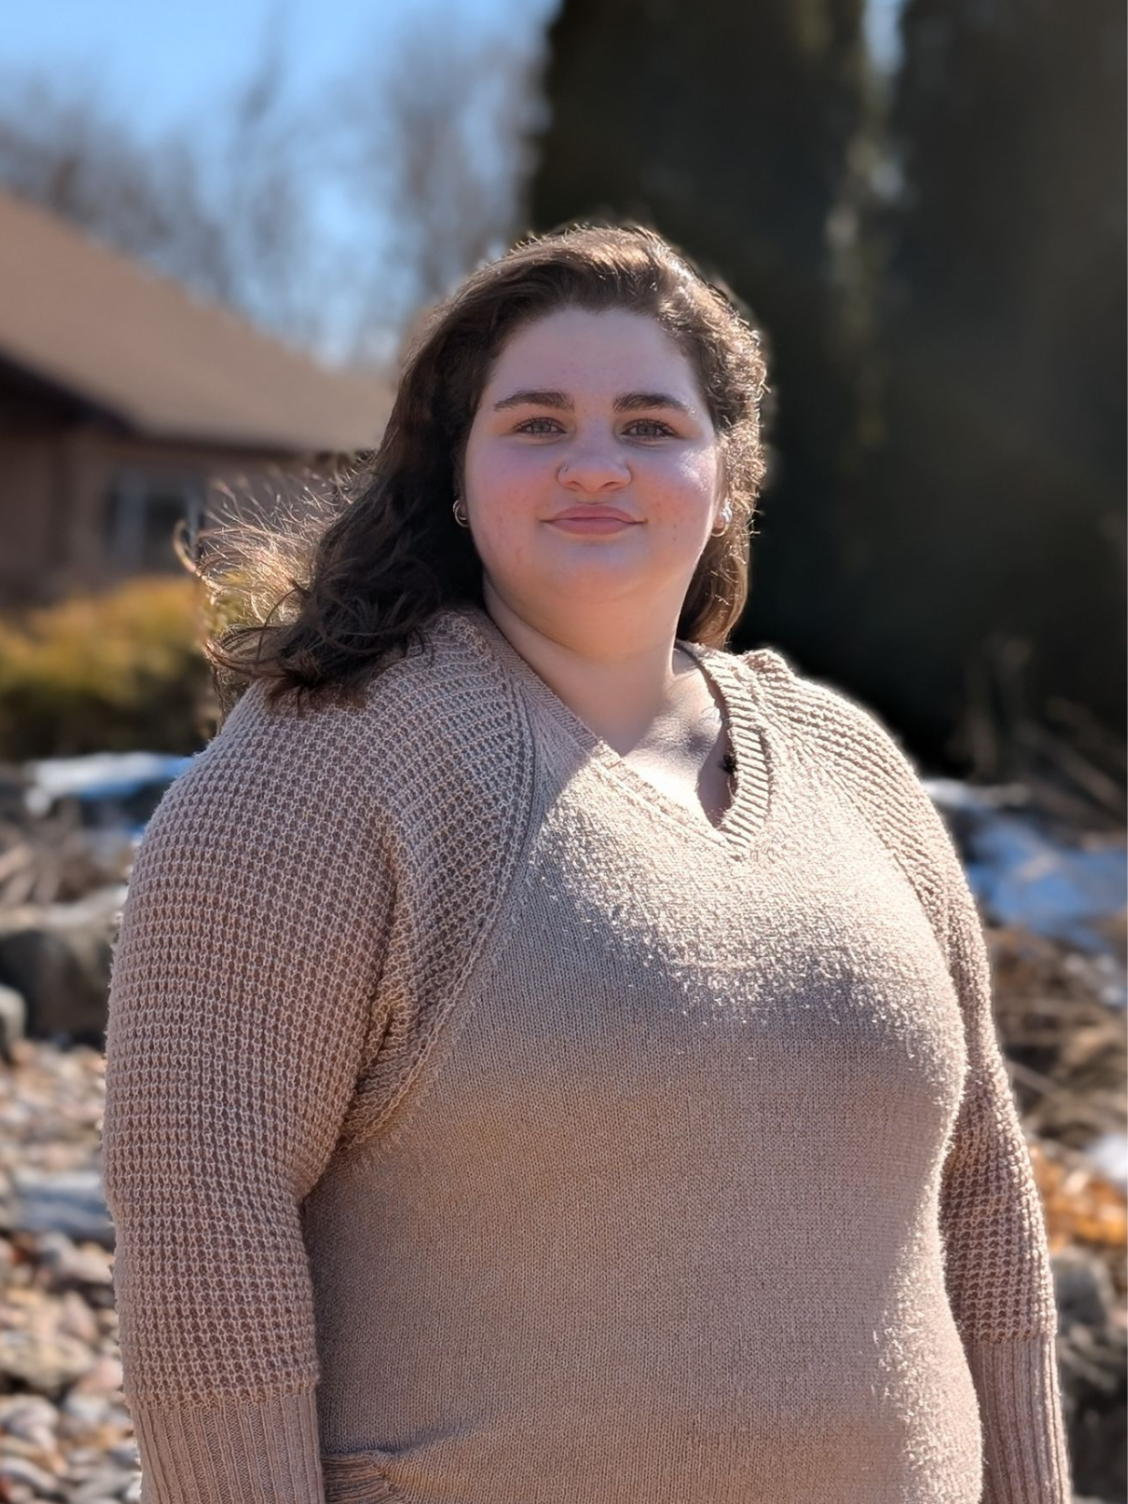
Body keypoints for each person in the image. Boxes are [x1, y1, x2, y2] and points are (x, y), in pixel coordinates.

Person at [100, 221, 1072, 1504]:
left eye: (652, 425)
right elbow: (202, 1231)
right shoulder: (325, 773)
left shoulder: (855, 771)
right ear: (456, 472)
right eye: (537, 423)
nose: (596, 465)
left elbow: (986, 1209)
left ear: (729, 474)